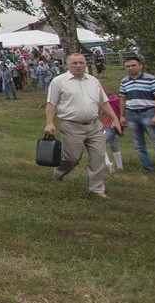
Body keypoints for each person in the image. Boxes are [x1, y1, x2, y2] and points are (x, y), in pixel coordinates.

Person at [45, 53, 124, 198]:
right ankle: (59, 173)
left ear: (86, 64)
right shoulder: (59, 82)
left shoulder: (93, 81)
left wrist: (114, 119)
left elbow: (103, 102)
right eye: (74, 63)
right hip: (71, 125)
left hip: (94, 125)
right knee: (72, 158)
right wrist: (49, 123)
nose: (78, 66)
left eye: (81, 62)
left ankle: (97, 189)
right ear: (67, 65)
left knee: (98, 156)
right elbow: (52, 103)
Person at [119, 55, 155, 173]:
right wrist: (122, 116)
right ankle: (147, 168)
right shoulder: (124, 81)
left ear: (140, 66)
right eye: (128, 66)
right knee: (138, 145)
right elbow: (122, 99)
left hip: (148, 113)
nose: (131, 68)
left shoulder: (150, 79)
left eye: (133, 65)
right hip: (131, 115)